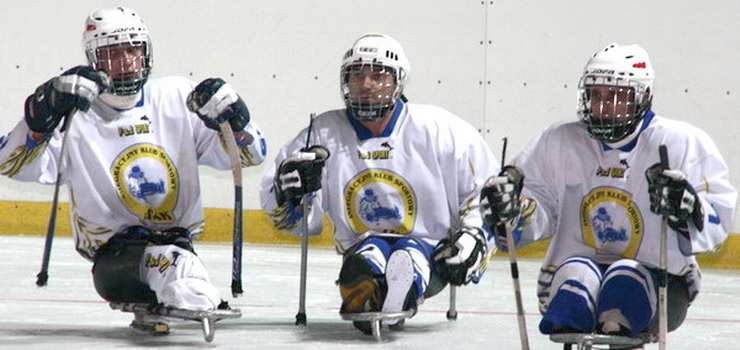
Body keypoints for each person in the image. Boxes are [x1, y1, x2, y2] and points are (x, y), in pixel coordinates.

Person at [0, 7, 267, 335]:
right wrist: (39, 116)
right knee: (173, 261)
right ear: (94, 58)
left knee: (173, 257)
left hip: (178, 244)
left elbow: (251, 155)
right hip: (116, 263)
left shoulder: (178, 97)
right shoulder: (76, 116)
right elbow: (10, 163)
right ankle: (188, 289)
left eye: (133, 50)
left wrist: (236, 122)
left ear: (146, 53)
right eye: (113, 53)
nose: (126, 61)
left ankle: (176, 286)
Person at [480, 43, 737, 339]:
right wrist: (511, 212)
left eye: (616, 97)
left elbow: (718, 217)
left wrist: (690, 209)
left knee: (624, 279)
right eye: (596, 95)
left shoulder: (682, 141)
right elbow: (537, 207)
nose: (603, 106)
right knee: (577, 274)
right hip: (573, 273)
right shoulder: (559, 140)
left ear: (644, 96)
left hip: (662, 282)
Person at [259, 33, 499, 334]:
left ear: (399, 81)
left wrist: (473, 237)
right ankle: (369, 286)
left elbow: (484, 190)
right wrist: (290, 194)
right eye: (356, 75)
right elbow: (294, 218)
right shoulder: (323, 133)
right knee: (366, 256)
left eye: (378, 75)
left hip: (432, 249)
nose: (366, 84)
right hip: (361, 243)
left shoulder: (441, 129)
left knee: (412, 256)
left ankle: (399, 287)